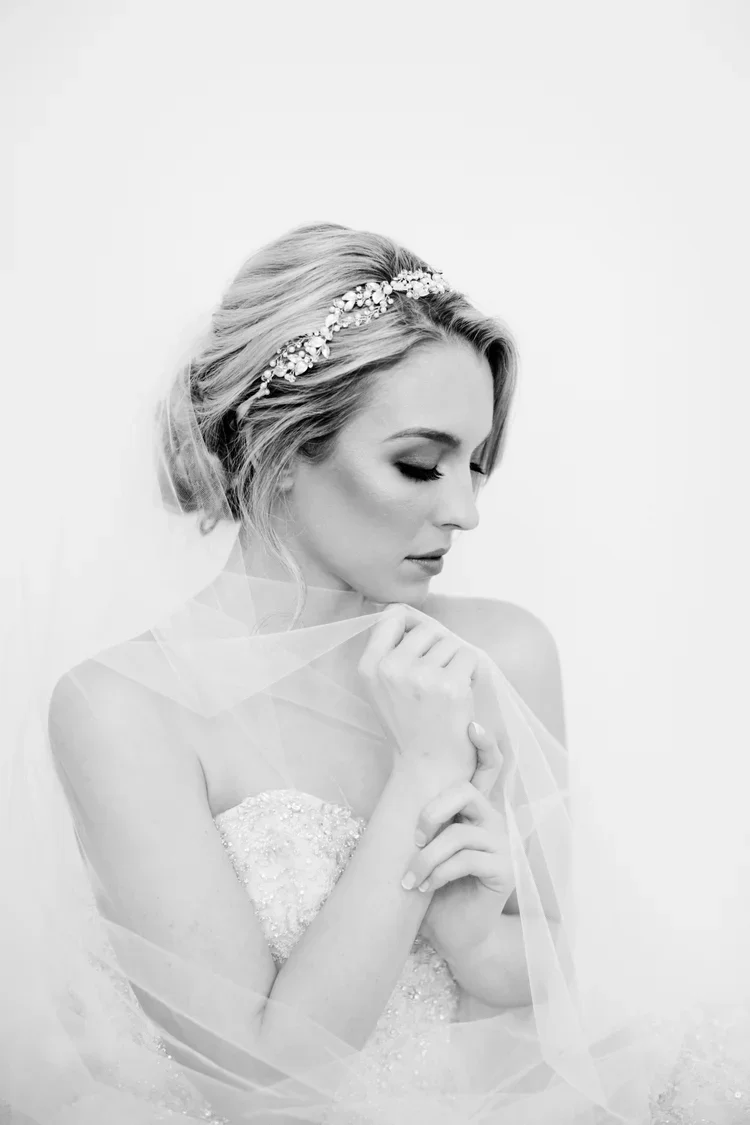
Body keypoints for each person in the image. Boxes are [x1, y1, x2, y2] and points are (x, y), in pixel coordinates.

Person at [2, 221, 743, 1124]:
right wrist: (423, 776)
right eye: (420, 464)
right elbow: (259, 1084)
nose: (465, 510)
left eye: (476, 464)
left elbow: (549, 970)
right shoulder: (121, 708)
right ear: (279, 449)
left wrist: (473, 940)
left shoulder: (502, 653)